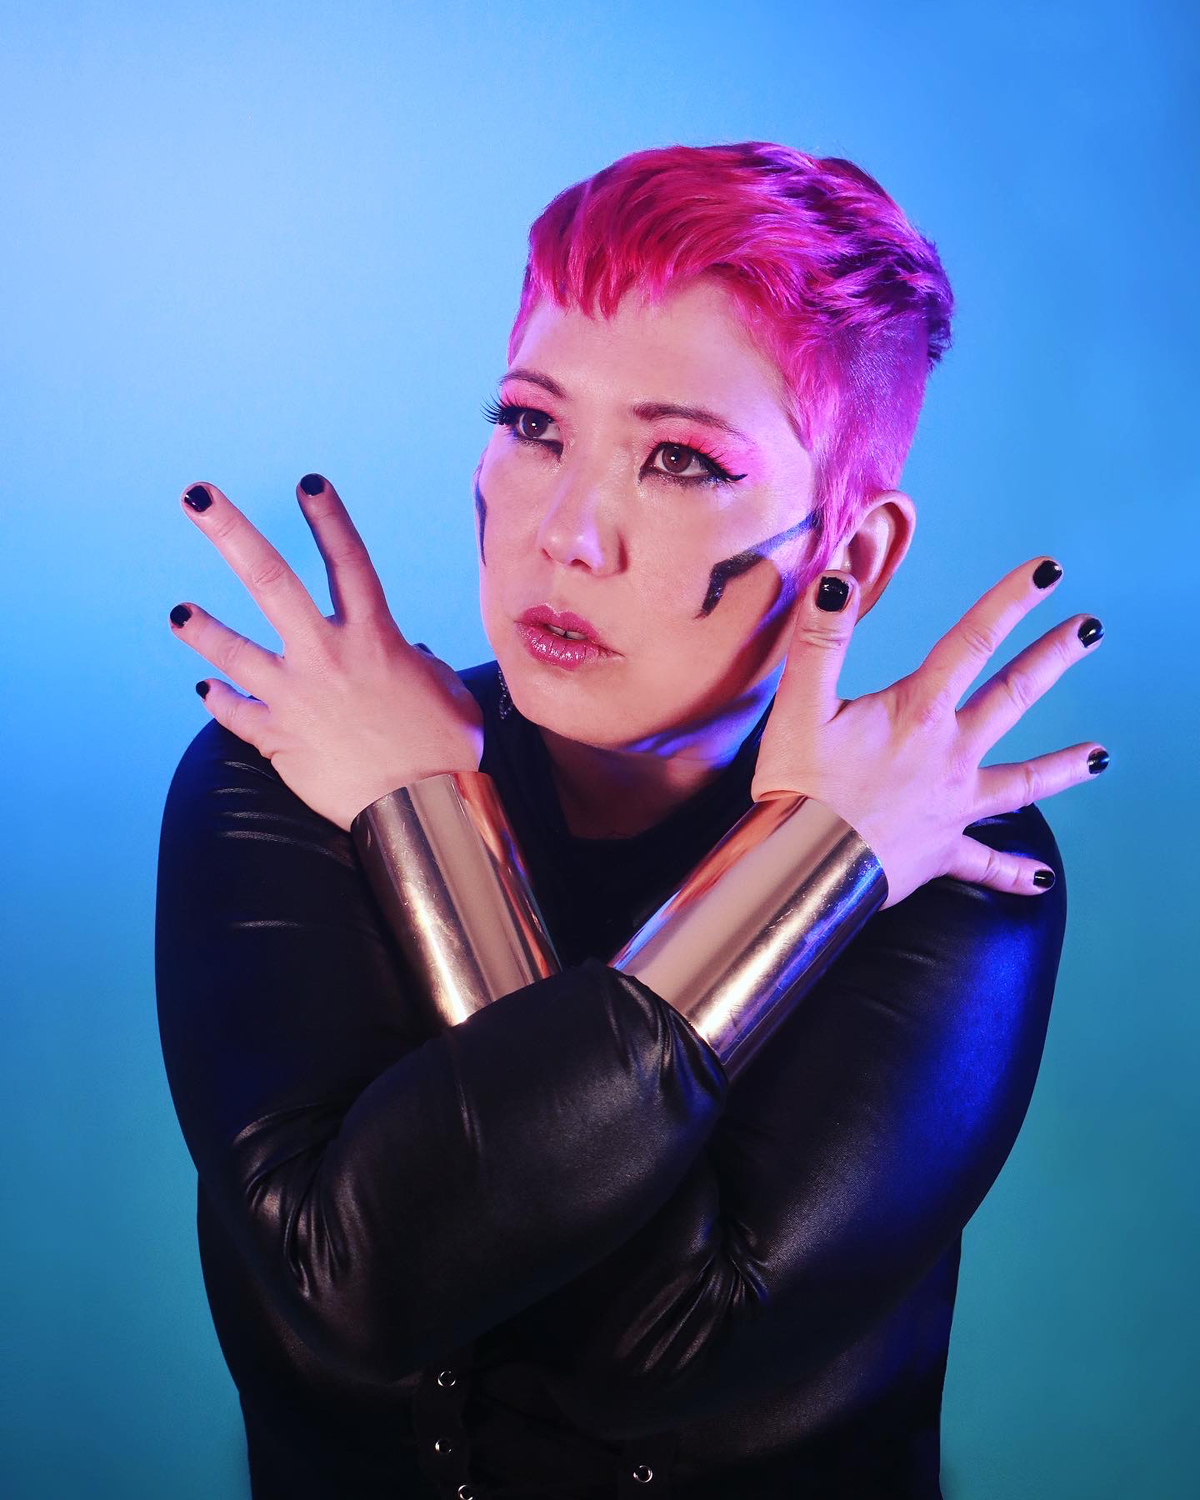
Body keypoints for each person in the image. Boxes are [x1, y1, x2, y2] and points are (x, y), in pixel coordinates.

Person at [154, 142, 1106, 1498]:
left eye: (679, 460)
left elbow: (658, 1348)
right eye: (532, 424)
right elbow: (351, 1286)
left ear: (850, 553)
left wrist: (817, 859)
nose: (567, 533)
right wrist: (419, 803)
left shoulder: (951, 853)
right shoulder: (292, 764)